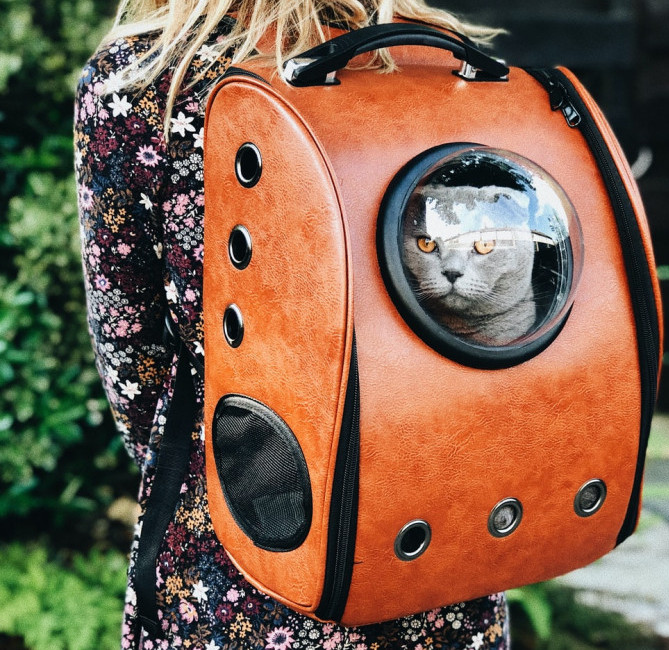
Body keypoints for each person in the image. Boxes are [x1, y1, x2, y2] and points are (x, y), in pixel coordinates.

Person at [74, 1, 510, 647]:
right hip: (436, 528)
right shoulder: (441, 62)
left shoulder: (144, 82)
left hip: (244, 535)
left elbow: (133, 362)